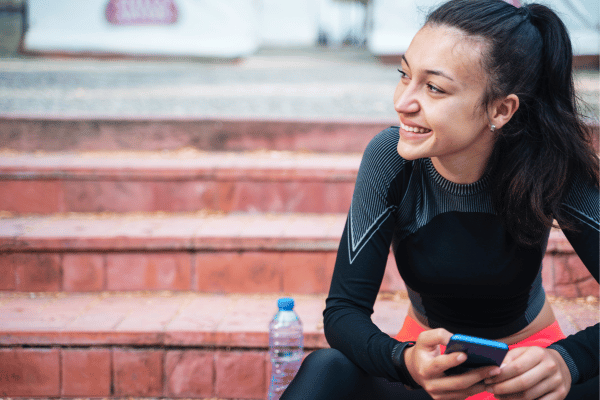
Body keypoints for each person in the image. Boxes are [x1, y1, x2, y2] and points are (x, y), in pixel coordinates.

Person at [281, 0, 599, 399]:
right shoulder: (389, 157)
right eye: (404, 75)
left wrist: (568, 361)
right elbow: (343, 312)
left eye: (433, 87)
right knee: (326, 371)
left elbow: (569, 364)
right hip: (428, 367)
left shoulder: (549, 161)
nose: (403, 102)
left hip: (528, 372)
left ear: (501, 109)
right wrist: (406, 361)